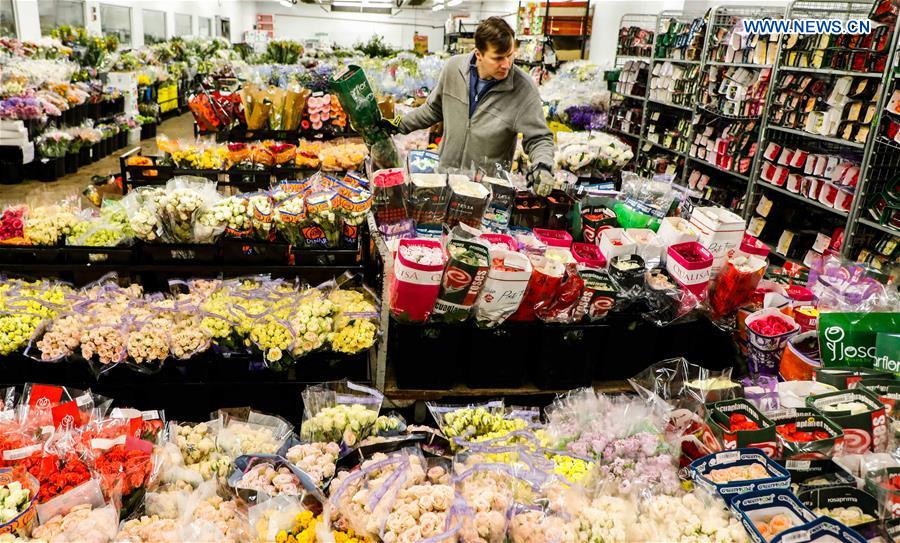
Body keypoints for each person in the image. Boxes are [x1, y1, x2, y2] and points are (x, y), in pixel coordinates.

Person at [385, 17, 555, 188]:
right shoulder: (453, 69)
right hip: (446, 179)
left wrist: (543, 166)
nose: (507, 64)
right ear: (478, 54)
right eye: (498, 58)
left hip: (486, 191)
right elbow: (433, 110)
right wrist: (398, 125)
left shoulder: (522, 88)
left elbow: (539, 137)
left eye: (510, 55)